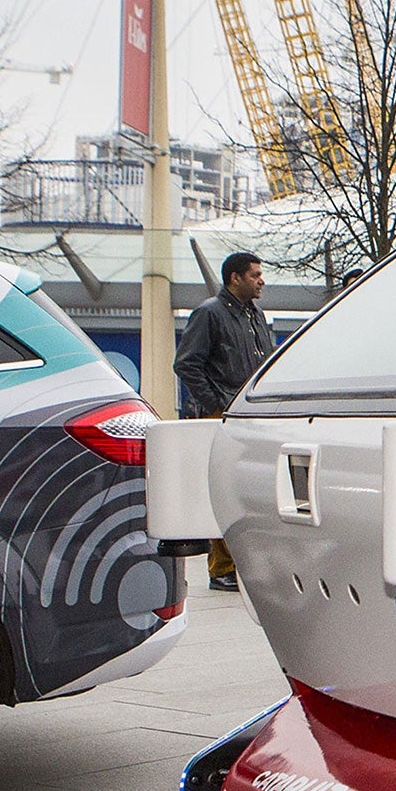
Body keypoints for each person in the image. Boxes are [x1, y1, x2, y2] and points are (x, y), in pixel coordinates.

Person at [173, 251, 275, 591]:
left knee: (248, 489)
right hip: (224, 416)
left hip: (251, 414)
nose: (261, 280)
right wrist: (217, 403)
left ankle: (243, 563)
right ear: (235, 278)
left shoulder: (256, 315)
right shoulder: (209, 314)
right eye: (255, 274)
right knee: (223, 489)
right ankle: (221, 568)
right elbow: (186, 364)